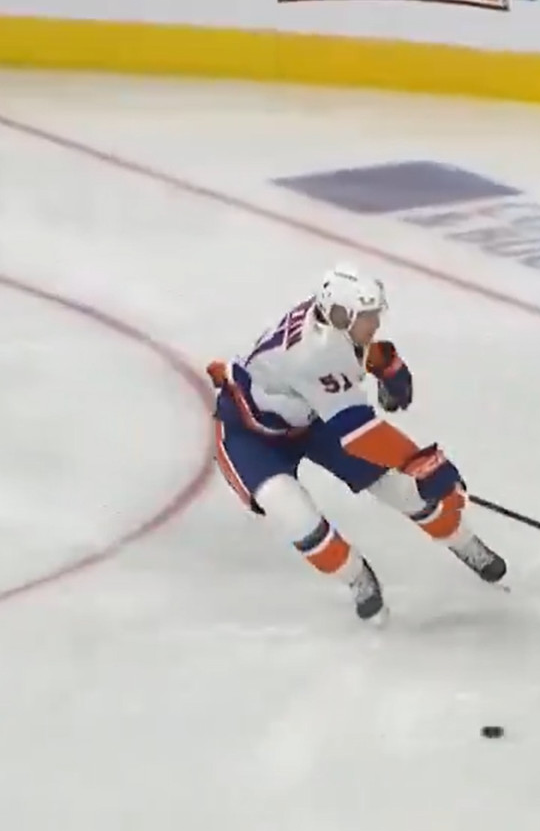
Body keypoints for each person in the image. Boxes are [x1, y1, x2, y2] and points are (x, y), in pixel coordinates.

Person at [208, 264, 505, 623]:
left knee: (402, 490)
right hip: (250, 436)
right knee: (295, 516)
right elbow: (360, 433)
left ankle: (466, 545)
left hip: (313, 417)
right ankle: (356, 578)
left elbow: (356, 356)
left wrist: (385, 363)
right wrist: (426, 465)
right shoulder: (315, 353)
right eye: (366, 316)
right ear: (340, 315)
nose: (375, 323)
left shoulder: (329, 324)